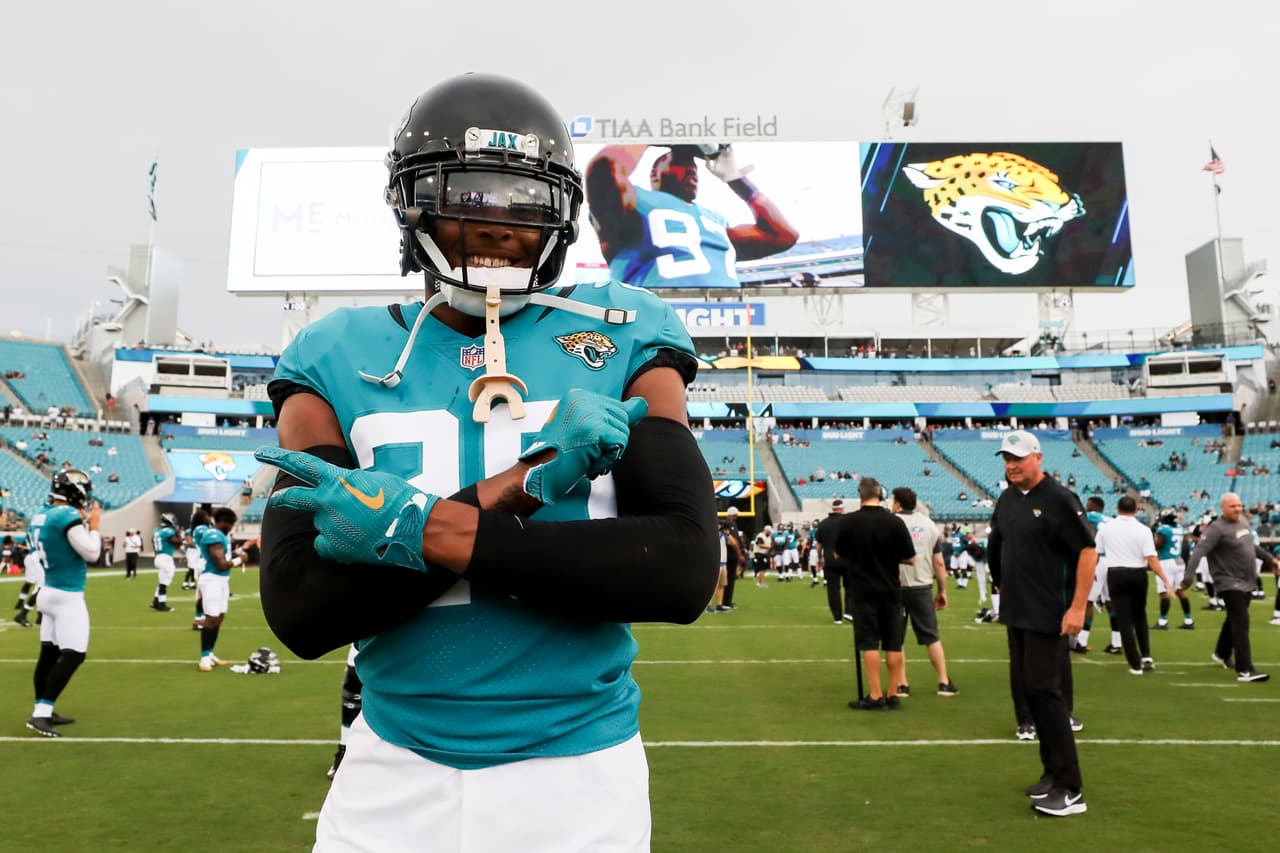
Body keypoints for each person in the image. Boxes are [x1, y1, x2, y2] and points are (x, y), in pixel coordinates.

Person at [254, 73, 718, 851]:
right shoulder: (335, 354)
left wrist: (416, 528)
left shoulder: (623, 326)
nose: (499, 222)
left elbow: (678, 566)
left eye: (523, 198)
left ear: (563, 213)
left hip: (581, 774)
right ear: (413, 204)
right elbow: (302, 608)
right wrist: (526, 483)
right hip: (392, 761)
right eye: (468, 192)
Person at [987, 430, 1096, 817]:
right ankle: (1051, 773)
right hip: (1017, 610)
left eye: (1017, 457)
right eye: (1006, 458)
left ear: (1037, 457)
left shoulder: (1058, 498)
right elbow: (998, 545)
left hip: (1049, 611)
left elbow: (1087, 551)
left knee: (1048, 696)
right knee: (1032, 693)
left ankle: (1071, 789)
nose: (1011, 465)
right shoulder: (1007, 498)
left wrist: (1078, 607)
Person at [585, 143, 797, 290]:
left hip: (722, 322)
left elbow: (783, 235)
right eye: (680, 163)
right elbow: (604, 171)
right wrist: (647, 133)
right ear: (655, 173)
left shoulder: (715, 221)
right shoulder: (636, 202)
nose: (691, 170)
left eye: (693, 166)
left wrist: (737, 179)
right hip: (656, 324)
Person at [24, 469, 100, 737]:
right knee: (75, 654)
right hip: (66, 595)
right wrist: (95, 526)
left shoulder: (40, 514)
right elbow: (92, 553)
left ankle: (42, 708)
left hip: (47, 590)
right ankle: (42, 712)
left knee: (49, 654)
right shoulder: (66, 515)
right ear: (75, 490)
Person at [835, 478, 916, 710]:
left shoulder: (848, 522)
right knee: (893, 643)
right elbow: (910, 558)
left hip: (862, 589)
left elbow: (840, 554)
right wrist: (889, 558)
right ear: (880, 494)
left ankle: (875, 694)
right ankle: (893, 693)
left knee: (869, 643)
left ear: (860, 495)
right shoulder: (895, 522)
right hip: (890, 589)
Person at [1182, 493, 1278, 683]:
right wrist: (1188, 577)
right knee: (1241, 622)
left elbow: (1251, 546)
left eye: (1240, 505)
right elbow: (1199, 551)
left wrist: (1270, 559)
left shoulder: (1242, 521)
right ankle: (1245, 669)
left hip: (1246, 580)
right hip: (1228, 581)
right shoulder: (1216, 529)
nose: (1238, 509)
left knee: (1233, 619)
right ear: (1223, 507)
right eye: (1233, 506)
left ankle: (1221, 653)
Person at [1092, 496, 1172, 674]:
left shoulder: (1106, 528)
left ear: (1117, 509)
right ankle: (1146, 656)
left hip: (1116, 574)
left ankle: (1135, 664)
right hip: (1138, 574)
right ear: (1136, 510)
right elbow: (1151, 557)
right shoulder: (1143, 530)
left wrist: (1090, 574)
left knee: (1124, 620)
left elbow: (1096, 553)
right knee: (1140, 616)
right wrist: (1165, 580)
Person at [891, 487, 958, 697]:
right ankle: (943, 682)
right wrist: (943, 590)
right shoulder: (929, 525)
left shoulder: (891, 523)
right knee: (931, 637)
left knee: (896, 638)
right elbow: (939, 561)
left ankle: (901, 684)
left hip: (896, 586)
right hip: (922, 587)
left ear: (898, 503)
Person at [195, 507, 241, 671]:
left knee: (219, 617)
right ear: (224, 522)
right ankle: (204, 658)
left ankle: (210, 652)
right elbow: (221, 564)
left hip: (221, 580)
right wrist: (239, 560)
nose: (232, 527)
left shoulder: (221, 536)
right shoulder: (213, 535)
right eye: (231, 523)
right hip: (212, 580)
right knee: (211, 618)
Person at [1152, 509, 1194, 630]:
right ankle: (1189, 620)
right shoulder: (1179, 529)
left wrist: (1149, 547)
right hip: (1179, 561)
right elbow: (1184, 543)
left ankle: (1163, 621)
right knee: (1180, 591)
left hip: (1166, 562)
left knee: (1164, 592)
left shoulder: (1163, 529)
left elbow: (1158, 545)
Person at [815, 499, 852, 624]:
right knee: (851, 587)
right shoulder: (848, 522)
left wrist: (820, 558)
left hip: (830, 560)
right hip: (848, 559)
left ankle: (837, 617)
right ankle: (849, 612)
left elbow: (819, 545)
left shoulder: (824, 524)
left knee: (833, 589)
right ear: (842, 509)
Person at [150, 513, 182, 612]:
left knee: (163, 580)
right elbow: (176, 542)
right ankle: (161, 604)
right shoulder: (168, 531)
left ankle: (156, 601)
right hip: (165, 558)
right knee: (165, 582)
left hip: (159, 556)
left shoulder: (157, 531)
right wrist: (179, 535)